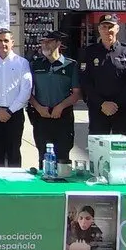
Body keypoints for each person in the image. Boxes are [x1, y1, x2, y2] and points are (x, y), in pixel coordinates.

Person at [80, 14, 126, 135]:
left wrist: (117, 104)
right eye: (104, 27)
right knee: (99, 150)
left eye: (111, 27)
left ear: (117, 29)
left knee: (122, 150)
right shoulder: (89, 52)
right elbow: (85, 81)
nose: (107, 30)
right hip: (98, 109)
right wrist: (102, 103)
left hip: (121, 109)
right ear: (99, 29)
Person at [28, 30, 81, 168]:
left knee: (63, 157)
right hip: (41, 116)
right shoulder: (35, 64)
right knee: (43, 156)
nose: (45, 45)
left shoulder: (71, 65)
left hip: (63, 117)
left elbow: (76, 94)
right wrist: (38, 107)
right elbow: (27, 92)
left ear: (58, 43)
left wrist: (61, 106)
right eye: (43, 42)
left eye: (49, 41)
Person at [0, 28, 32, 167]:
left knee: (14, 152)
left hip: (15, 114)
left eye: (6, 40)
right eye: (0, 40)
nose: (3, 44)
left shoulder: (22, 63)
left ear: (12, 42)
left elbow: (26, 90)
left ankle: (15, 185)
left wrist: (10, 111)